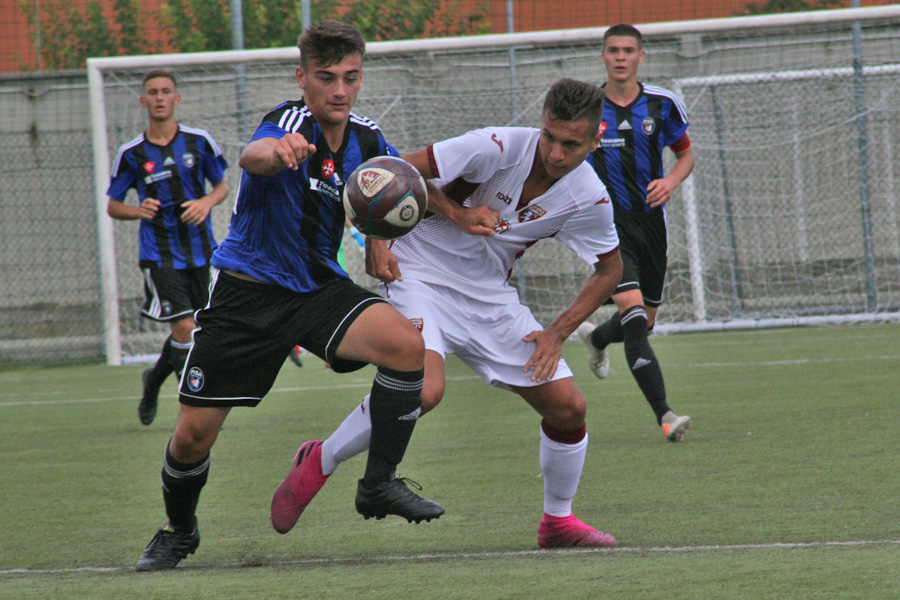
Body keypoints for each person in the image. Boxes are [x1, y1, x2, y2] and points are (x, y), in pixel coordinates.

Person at [135, 21, 443, 572]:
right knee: (192, 438)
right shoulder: (288, 122)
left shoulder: (366, 137)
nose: (340, 90)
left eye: (350, 77)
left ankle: (377, 485)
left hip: (318, 291)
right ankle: (178, 530)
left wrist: (383, 240)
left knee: (405, 347)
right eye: (326, 78)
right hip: (248, 297)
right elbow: (251, 157)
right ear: (303, 78)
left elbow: (396, 181)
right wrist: (278, 153)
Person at [269, 78, 624, 549]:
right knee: (426, 390)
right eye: (550, 138)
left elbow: (610, 269)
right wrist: (384, 238)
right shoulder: (495, 146)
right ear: (541, 125)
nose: (556, 153)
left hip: (487, 296)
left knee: (569, 408)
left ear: (597, 137)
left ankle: (557, 522)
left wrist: (558, 332)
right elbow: (385, 174)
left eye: (571, 145)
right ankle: (321, 459)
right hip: (416, 268)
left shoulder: (589, 196)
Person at [577, 23, 696, 442]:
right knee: (631, 314)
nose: (621, 57)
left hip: (651, 225)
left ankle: (597, 339)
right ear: (604, 56)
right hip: (607, 226)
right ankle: (665, 415)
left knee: (642, 322)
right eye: (613, 50)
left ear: (641, 56)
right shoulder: (588, 107)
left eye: (629, 50)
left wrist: (672, 182)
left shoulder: (662, 104)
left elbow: (685, 156)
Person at [106, 69, 229, 426]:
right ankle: (190, 408)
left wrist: (206, 203)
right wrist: (137, 210)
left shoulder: (199, 141)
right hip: (159, 254)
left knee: (195, 329)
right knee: (185, 329)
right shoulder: (132, 153)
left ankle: (153, 380)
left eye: (166, 91)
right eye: (153, 93)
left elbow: (220, 187)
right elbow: (114, 205)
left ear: (177, 98)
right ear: (144, 101)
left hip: (201, 251)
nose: (159, 98)